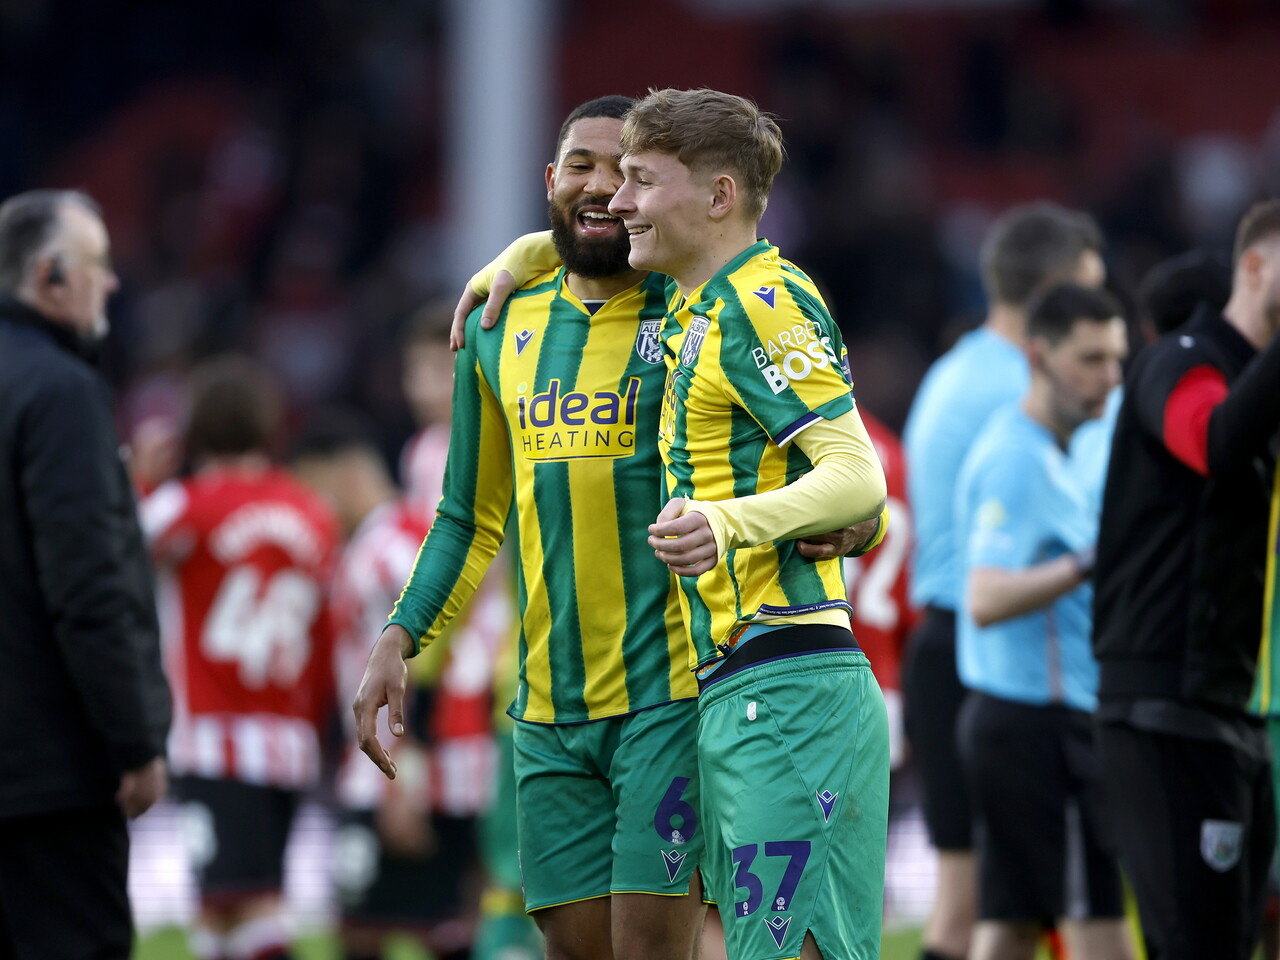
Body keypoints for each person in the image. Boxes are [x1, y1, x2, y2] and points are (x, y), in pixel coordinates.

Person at [355, 95, 712, 960]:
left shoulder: (696, 309)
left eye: (625, 172)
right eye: (582, 166)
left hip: (671, 695)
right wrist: (397, 638)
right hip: (547, 711)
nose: (602, 186)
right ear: (550, 180)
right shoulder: (498, 325)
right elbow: (468, 516)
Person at [606, 87, 889, 960]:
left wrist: (728, 523)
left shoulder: (758, 304)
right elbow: (854, 506)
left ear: (719, 197)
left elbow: (855, 472)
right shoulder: (703, 305)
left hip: (790, 682)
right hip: (745, 685)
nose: (619, 204)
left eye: (642, 182)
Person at [900, 201, 1105, 960]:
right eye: (1089, 286)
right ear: (1054, 287)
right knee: (982, 910)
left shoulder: (955, 371)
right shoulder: (1022, 387)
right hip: (989, 658)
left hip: (952, 647)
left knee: (995, 909)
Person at [1093, 198, 1280, 960]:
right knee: (1193, 946)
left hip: (1231, 705)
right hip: (1162, 707)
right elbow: (1214, 441)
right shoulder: (1182, 361)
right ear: (1255, 264)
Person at [0, 188, 171, 959]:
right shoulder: (60, 392)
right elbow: (87, 590)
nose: (112, 284)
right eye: (98, 266)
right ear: (50, 276)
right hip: (51, 777)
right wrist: (135, 743)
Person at [141, 356, 340, 960]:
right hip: (290, 737)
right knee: (228, 905)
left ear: (195, 430)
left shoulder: (185, 507)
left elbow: (110, 558)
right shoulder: (314, 513)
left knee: (243, 906)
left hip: (214, 738)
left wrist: (143, 485)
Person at [954, 285, 1132, 960]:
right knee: (1099, 934)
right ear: (1039, 357)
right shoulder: (1016, 459)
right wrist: (1092, 561)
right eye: (1090, 359)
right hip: (1042, 725)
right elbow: (986, 597)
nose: (1109, 378)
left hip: (1020, 722)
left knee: (1011, 927)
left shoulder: (1048, 448)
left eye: (1116, 359)